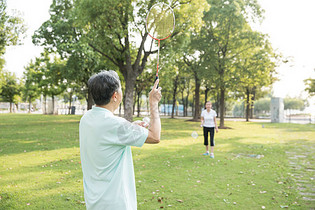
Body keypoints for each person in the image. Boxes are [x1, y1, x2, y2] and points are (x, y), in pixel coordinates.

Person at [79, 70, 162, 210]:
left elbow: (106, 136)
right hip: (115, 204)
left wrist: (131, 127)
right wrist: (153, 103)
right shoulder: (116, 125)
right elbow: (155, 136)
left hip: (94, 202)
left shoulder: (86, 118)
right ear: (115, 96)